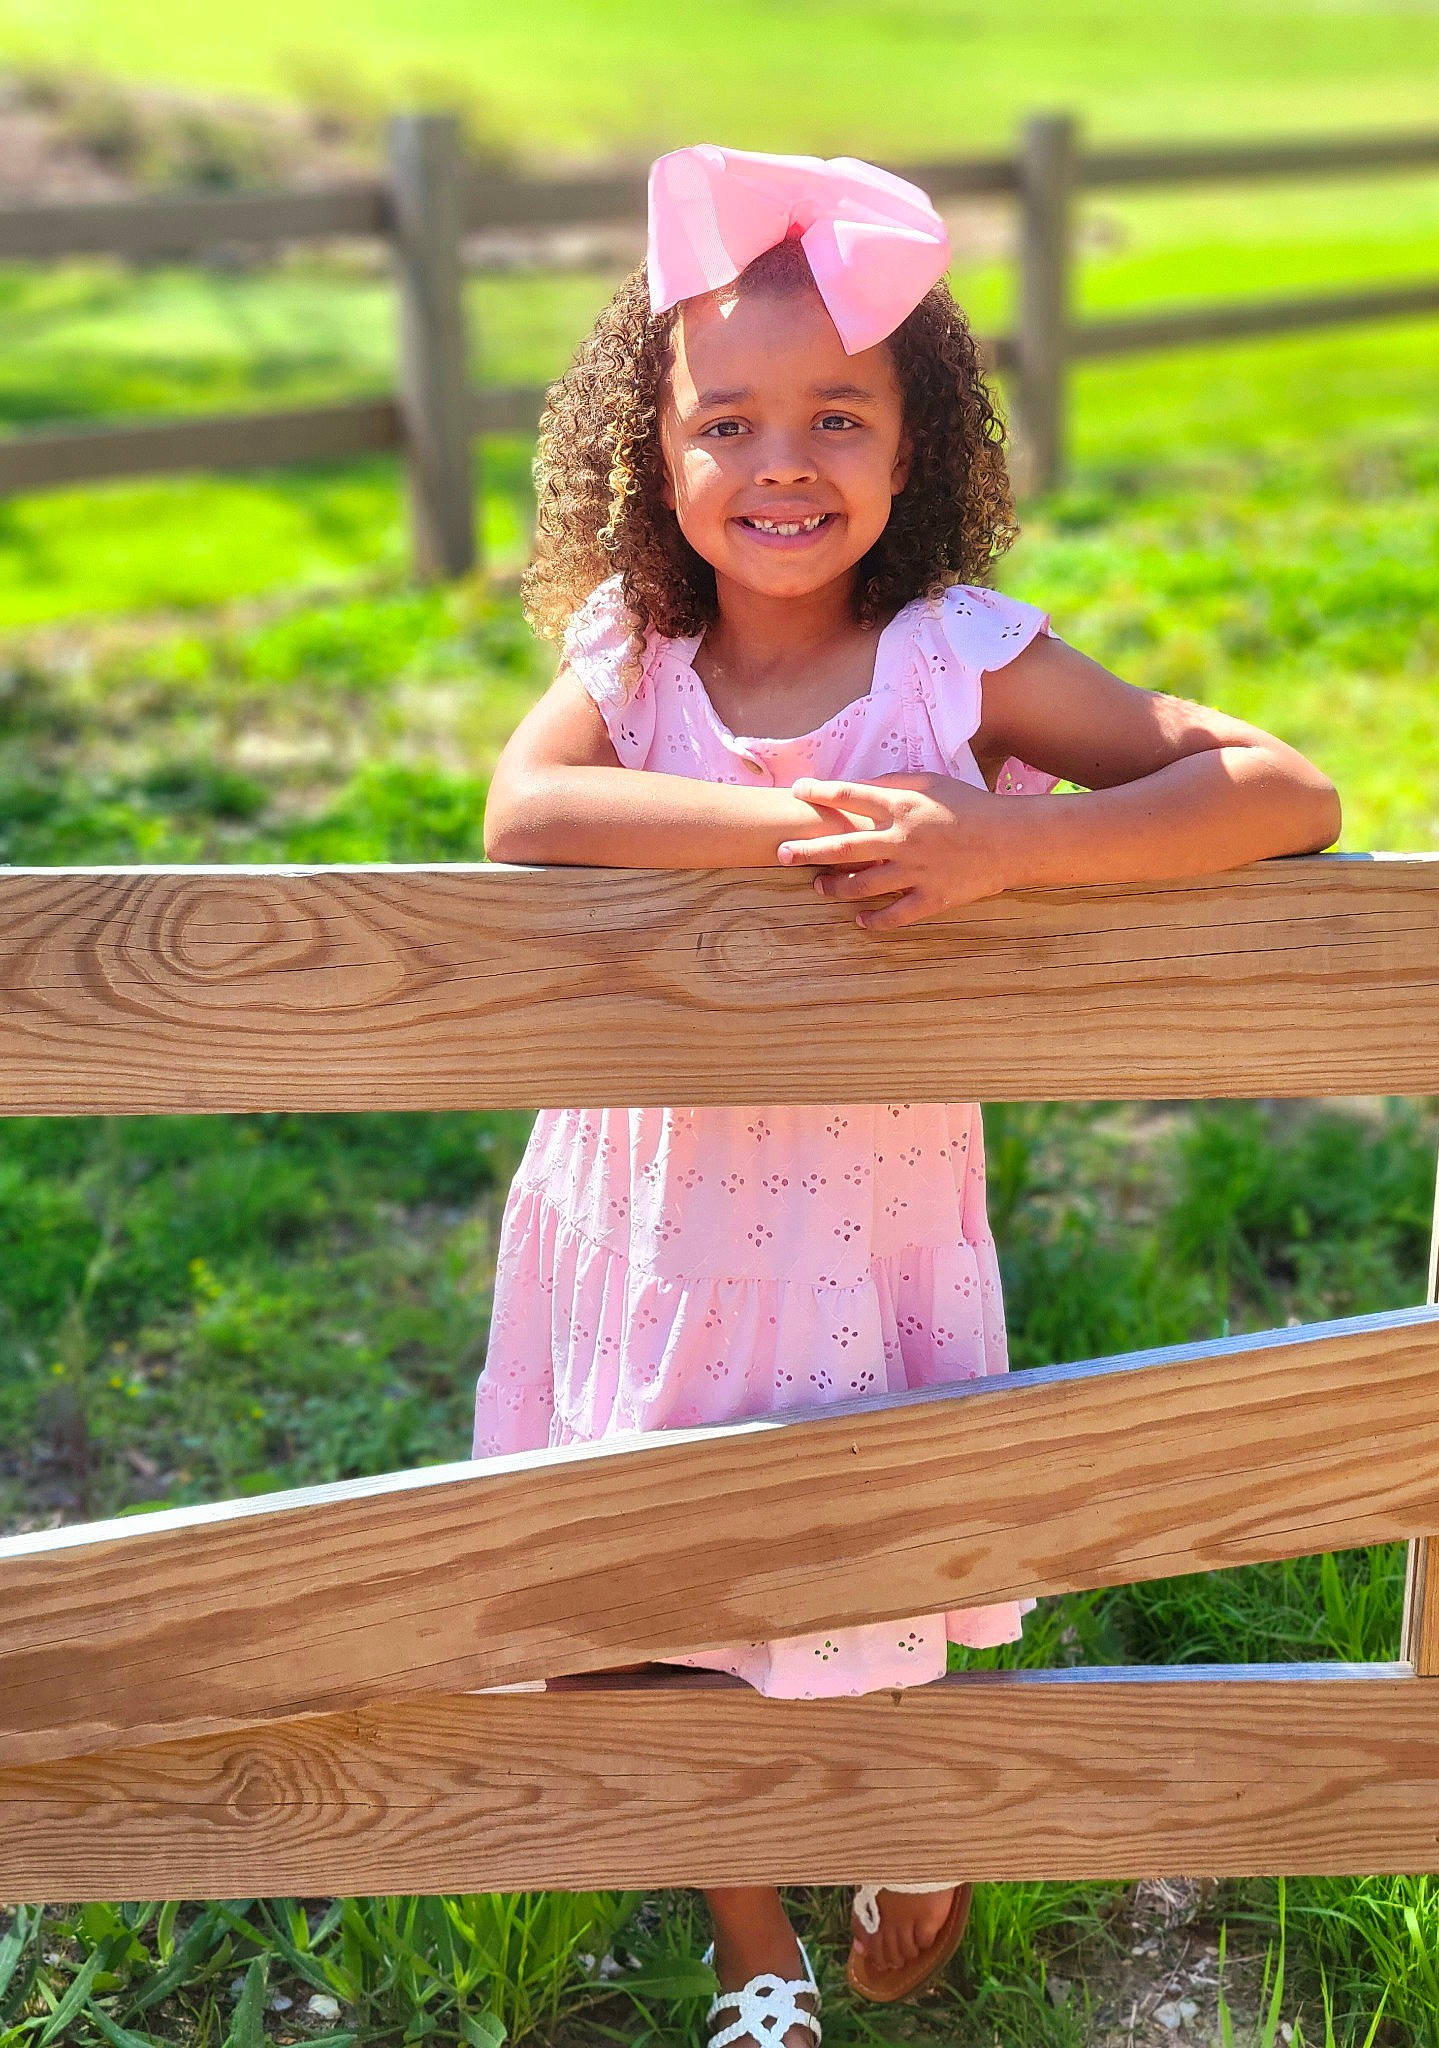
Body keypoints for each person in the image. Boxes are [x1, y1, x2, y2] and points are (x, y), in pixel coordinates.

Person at [473, 142, 1341, 2048]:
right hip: (652, 1199)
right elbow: (522, 812)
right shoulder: (634, 659)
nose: (782, 462)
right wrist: (790, 826)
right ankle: (749, 1938)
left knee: (871, 1528)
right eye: (729, 421)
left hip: (855, 1212)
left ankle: (916, 1820)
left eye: (836, 416)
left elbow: (1280, 789)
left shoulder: (953, 666)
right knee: (653, 1560)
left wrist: (1009, 849)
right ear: (658, 453)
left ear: (912, 438)